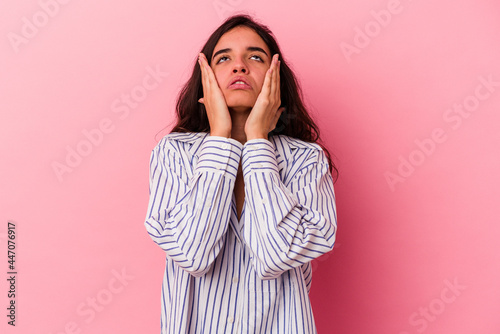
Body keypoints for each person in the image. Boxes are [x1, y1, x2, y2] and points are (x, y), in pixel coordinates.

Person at [144, 14, 337, 333]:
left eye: (255, 56)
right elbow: (193, 253)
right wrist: (220, 135)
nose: (240, 66)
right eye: (224, 58)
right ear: (205, 78)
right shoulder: (173, 153)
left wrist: (258, 142)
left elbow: (276, 255)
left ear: (276, 78)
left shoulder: (306, 160)